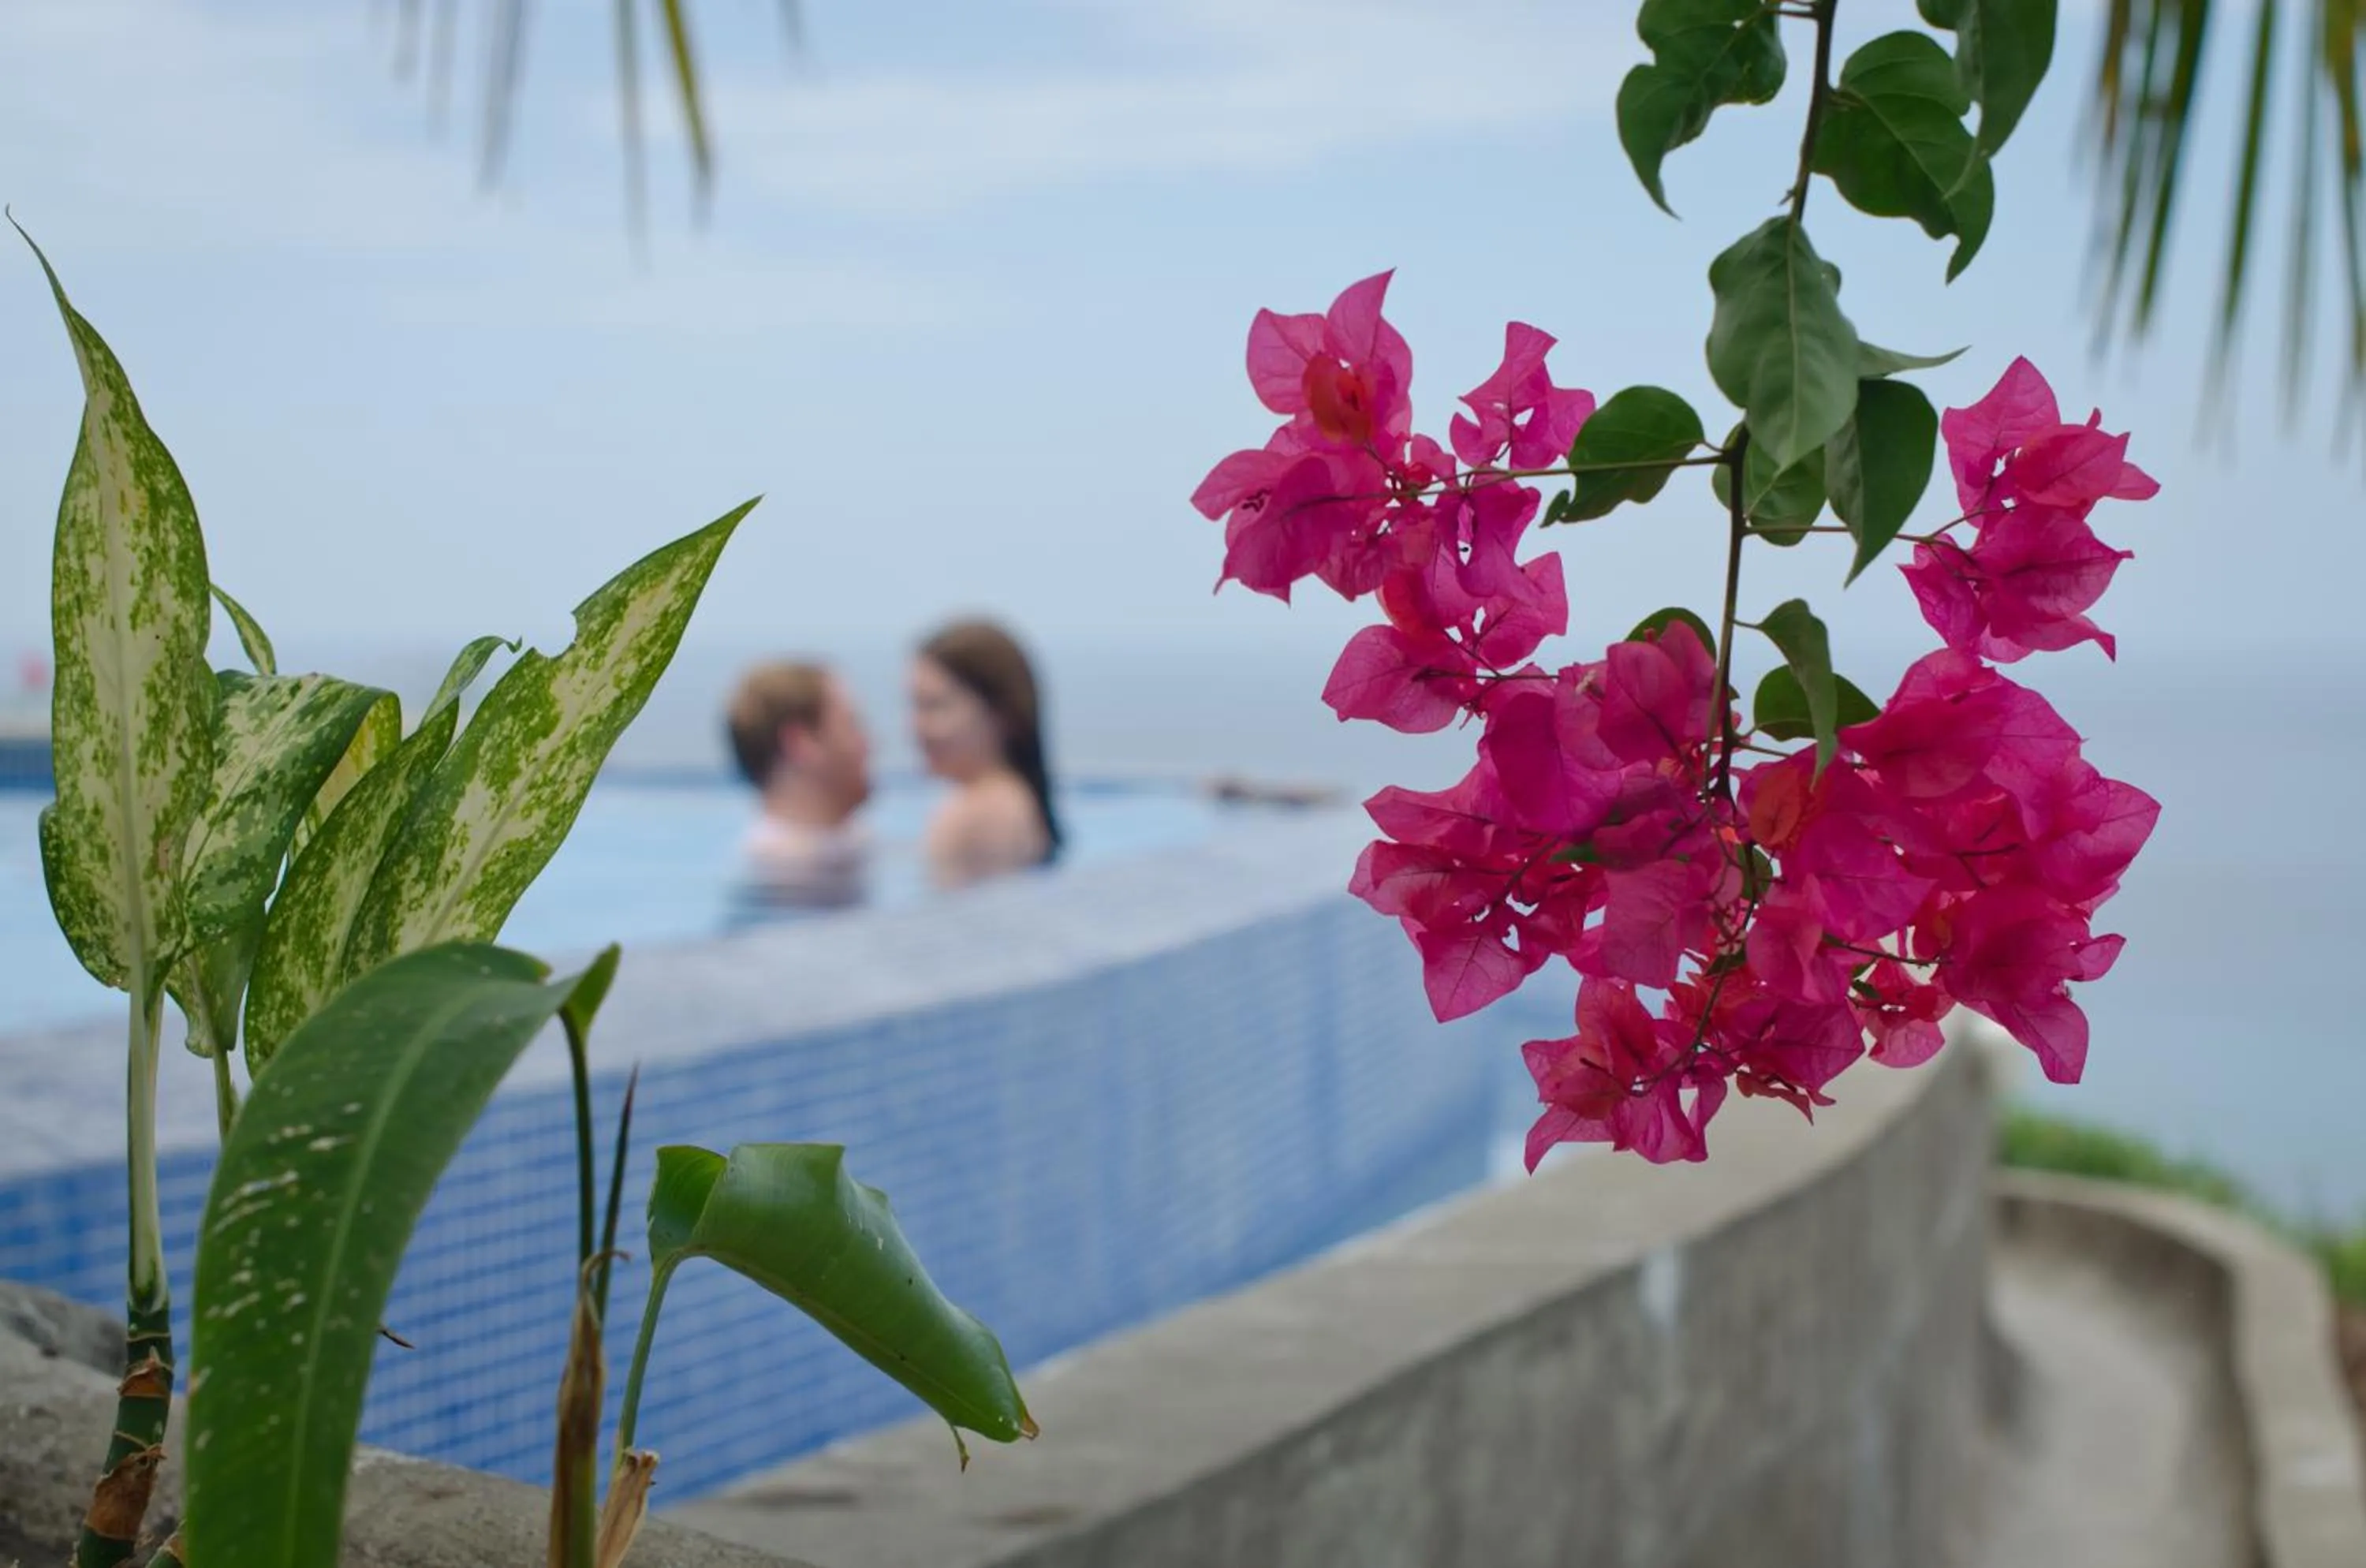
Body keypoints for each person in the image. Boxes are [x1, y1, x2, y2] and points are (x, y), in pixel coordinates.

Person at [909, 619, 1062, 890]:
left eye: (935, 706)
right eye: (915, 706)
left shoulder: (973, 816)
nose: (917, 727)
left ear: (1002, 714)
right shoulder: (1018, 799)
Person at [724, 659, 873, 912]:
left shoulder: (847, 841)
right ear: (801, 742)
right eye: (851, 725)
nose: (868, 744)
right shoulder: (783, 868)